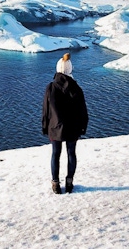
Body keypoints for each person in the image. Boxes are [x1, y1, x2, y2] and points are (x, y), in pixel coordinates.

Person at [42, 53, 88, 194]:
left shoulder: (51, 87)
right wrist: (83, 127)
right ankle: (69, 182)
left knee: (55, 154)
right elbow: (83, 111)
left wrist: (45, 127)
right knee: (71, 153)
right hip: (73, 128)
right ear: (70, 69)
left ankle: (55, 183)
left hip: (55, 127)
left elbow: (46, 110)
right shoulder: (76, 88)